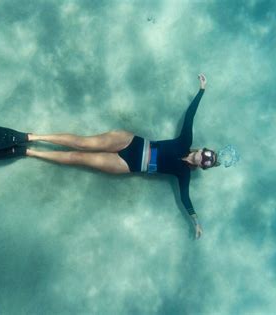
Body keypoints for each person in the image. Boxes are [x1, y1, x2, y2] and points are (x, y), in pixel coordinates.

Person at [26, 74, 219, 239]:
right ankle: (35, 136)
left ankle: (32, 152)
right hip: (129, 141)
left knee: (78, 157)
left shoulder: (183, 174)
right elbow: (190, 117)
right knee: (83, 143)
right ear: (202, 150)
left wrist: (196, 222)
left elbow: (186, 199)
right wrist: (201, 90)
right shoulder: (185, 140)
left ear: (203, 166)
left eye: (206, 162)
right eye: (206, 154)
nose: (203, 159)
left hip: (126, 165)